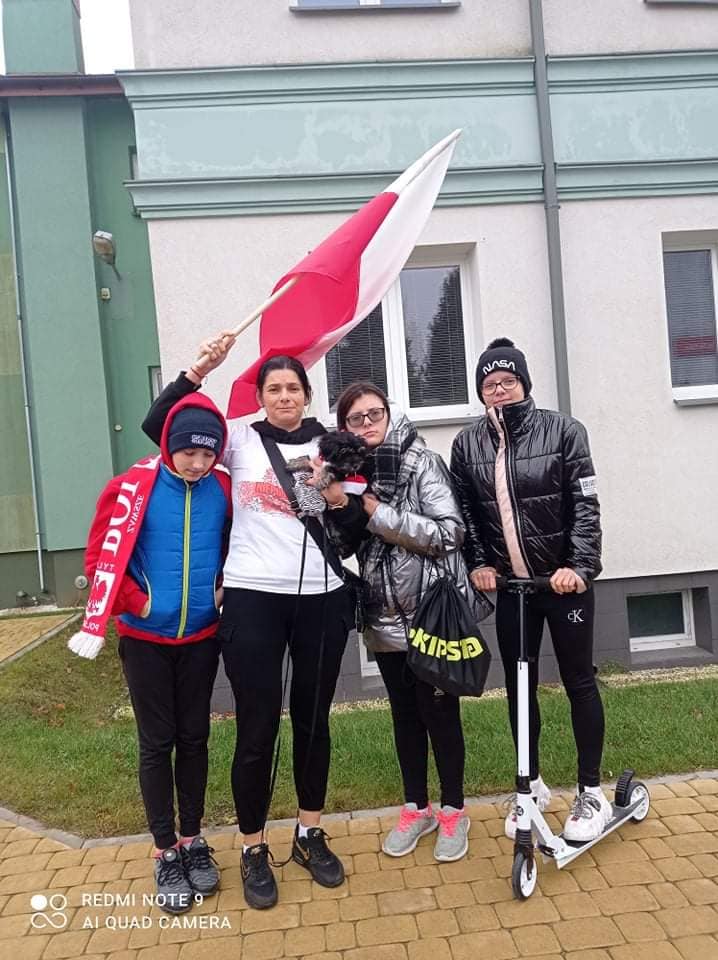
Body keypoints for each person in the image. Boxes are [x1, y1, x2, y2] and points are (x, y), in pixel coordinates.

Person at [142, 344, 358, 910]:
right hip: (252, 599)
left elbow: (354, 521)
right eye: (274, 389)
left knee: (313, 723)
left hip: (322, 599)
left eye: (293, 388)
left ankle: (309, 832)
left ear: (307, 394)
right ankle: (252, 846)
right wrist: (198, 371)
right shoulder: (236, 438)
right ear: (260, 397)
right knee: (257, 728)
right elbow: (158, 427)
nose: (285, 397)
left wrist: (335, 495)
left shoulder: (333, 443)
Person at [322, 382, 492, 863]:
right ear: (345, 427)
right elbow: (346, 546)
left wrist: (377, 512)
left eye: (374, 413)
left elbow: (448, 533)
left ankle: (454, 810)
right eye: (356, 419)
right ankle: (417, 807)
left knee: (440, 715)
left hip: (429, 616)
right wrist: (338, 504)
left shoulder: (420, 462)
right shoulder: (351, 474)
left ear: (388, 413)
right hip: (383, 613)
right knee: (404, 717)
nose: (367, 424)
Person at [450, 337, 607, 843]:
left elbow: (585, 504)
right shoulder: (467, 444)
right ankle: (530, 785)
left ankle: (591, 791)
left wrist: (579, 566)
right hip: (514, 591)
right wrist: (480, 563)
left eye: (508, 381)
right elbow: (468, 514)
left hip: (563, 587)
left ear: (524, 382)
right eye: (489, 384)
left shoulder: (564, 430)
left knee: (579, 682)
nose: (499, 390)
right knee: (520, 687)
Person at [82, 393, 231, 913]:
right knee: (157, 742)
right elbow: (100, 557)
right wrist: (138, 603)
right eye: (188, 452)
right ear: (169, 446)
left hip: (201, 638)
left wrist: (220, 590)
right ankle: (165, 850)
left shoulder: (223, 489)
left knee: (194, 739)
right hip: (145, 640)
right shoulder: (132, 487)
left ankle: (192, 839)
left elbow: (236, 544)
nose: (198, 463)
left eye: (208, 454)